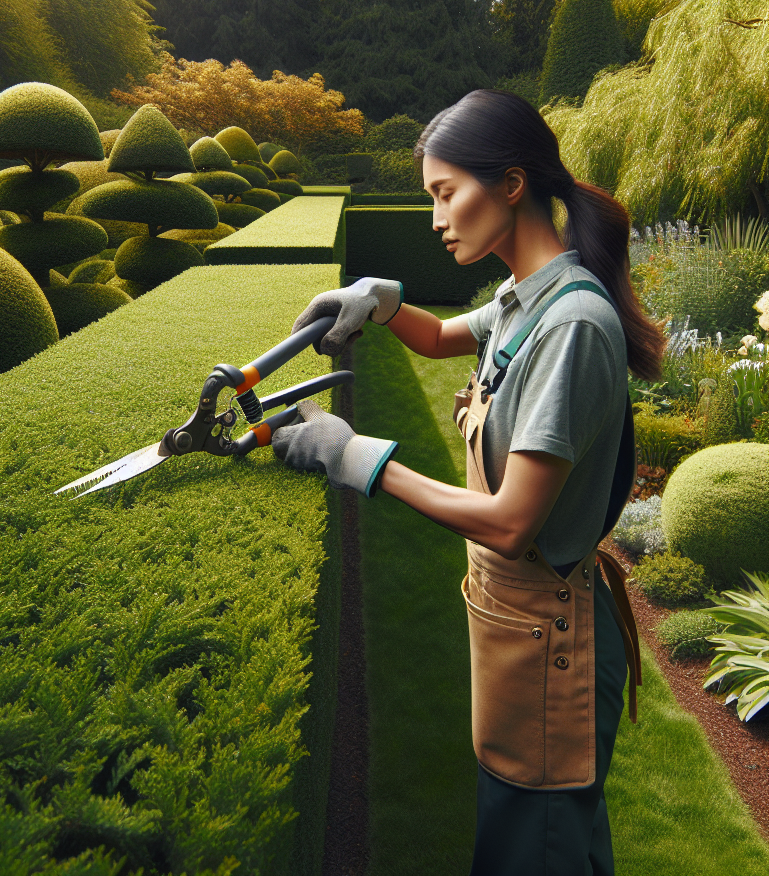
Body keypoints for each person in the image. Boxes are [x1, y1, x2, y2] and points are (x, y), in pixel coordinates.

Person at [271, 89, 667, 876]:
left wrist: (355, 459)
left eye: (445, 193)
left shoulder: (572, 326)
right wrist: (378, 301)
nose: (435, 217)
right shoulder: (528, 298)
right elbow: (450, 333)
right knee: (558, 847)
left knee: (535, 853)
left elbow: (512, 522)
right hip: (518, 631)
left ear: (510, 185)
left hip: (548, 641)